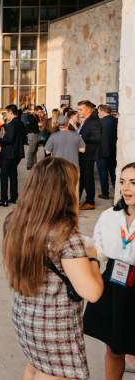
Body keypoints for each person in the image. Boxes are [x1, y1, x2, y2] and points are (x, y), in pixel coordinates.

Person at [2, 156, 103, 380]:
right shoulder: (65, 235)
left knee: (35, 366)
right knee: (54, 373)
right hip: (54, 326)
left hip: (25, 315)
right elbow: (92, 292)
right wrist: (93, 258)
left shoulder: (15, 221)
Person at [84, 162, 135, 380]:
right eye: (122, 182)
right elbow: (98, 251)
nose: (126, 188)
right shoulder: (109, 216)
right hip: (114, 284)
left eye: (133, 182)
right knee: (114, 349)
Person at [0, 105, 27, 208]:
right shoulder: (20, 123)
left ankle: (3, 200)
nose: (6, 115)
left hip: (9, 154)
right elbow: (24, 139)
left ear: (11, 112)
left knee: (3, 176)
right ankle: (13, 197)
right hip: (17, 153)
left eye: (6, 113)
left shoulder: (12, 124)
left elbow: (10, 139)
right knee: (13, 175)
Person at [77, 100, 102, 210]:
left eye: (80, 109)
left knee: (88, 177)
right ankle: (78, 199)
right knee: (83, 177)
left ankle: (90, 201)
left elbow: (97, 138)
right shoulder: (87, 120)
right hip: (84, 153)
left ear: (88, 109)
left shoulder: (93, 121)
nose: (78, 111)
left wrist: (81, 138)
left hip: (88, 154)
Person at [97, 104, 118, 200]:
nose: (98, 113)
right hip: (113, 151)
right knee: (114, 173)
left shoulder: (100, 122)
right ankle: (118, 192)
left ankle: (105, 194)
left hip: (102, 152)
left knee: (103, 174)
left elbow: (100, 139)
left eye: (98, 111)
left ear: (102, 111)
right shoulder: (115, 120)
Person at [21, 106, 40, 170]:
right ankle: (29, 165)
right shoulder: (29, 117)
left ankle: (35, 164)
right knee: (31, 150)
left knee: (35, 150)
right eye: (39, 112)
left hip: (37, 134)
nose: (39, 113)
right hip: (32, 134)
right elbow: (27, 126)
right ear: (35, 111)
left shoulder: (37, 116)